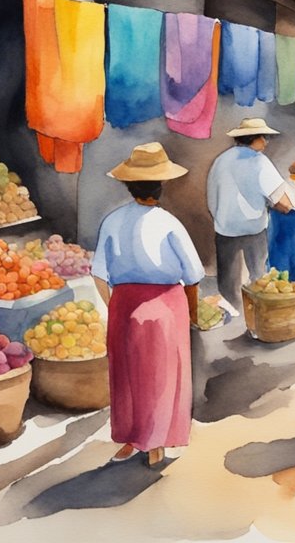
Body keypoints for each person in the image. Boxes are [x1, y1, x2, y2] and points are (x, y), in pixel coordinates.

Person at [93, 143, 204, 467]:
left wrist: (114, 306)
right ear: (161, 186)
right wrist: (193, 313)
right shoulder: (169, 223)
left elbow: (99, 273)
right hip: (167, 305)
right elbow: (193, 274)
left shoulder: (113, 221)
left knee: (128, 377)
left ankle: (133, 438)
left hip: (125, 306)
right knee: (162, 377)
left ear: (129, 186)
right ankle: (156, 445)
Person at [206, 117, 294, 309]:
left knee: (229, 287)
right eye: (264, 137)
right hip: (253, 233)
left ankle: (230, 318)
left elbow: (212, 200)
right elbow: (285, 204)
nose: (266, 141)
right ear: (254, 138)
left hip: (224, 232)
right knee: (257, 284)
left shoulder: (221, 161)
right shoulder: (259, 161)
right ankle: (256, 324)